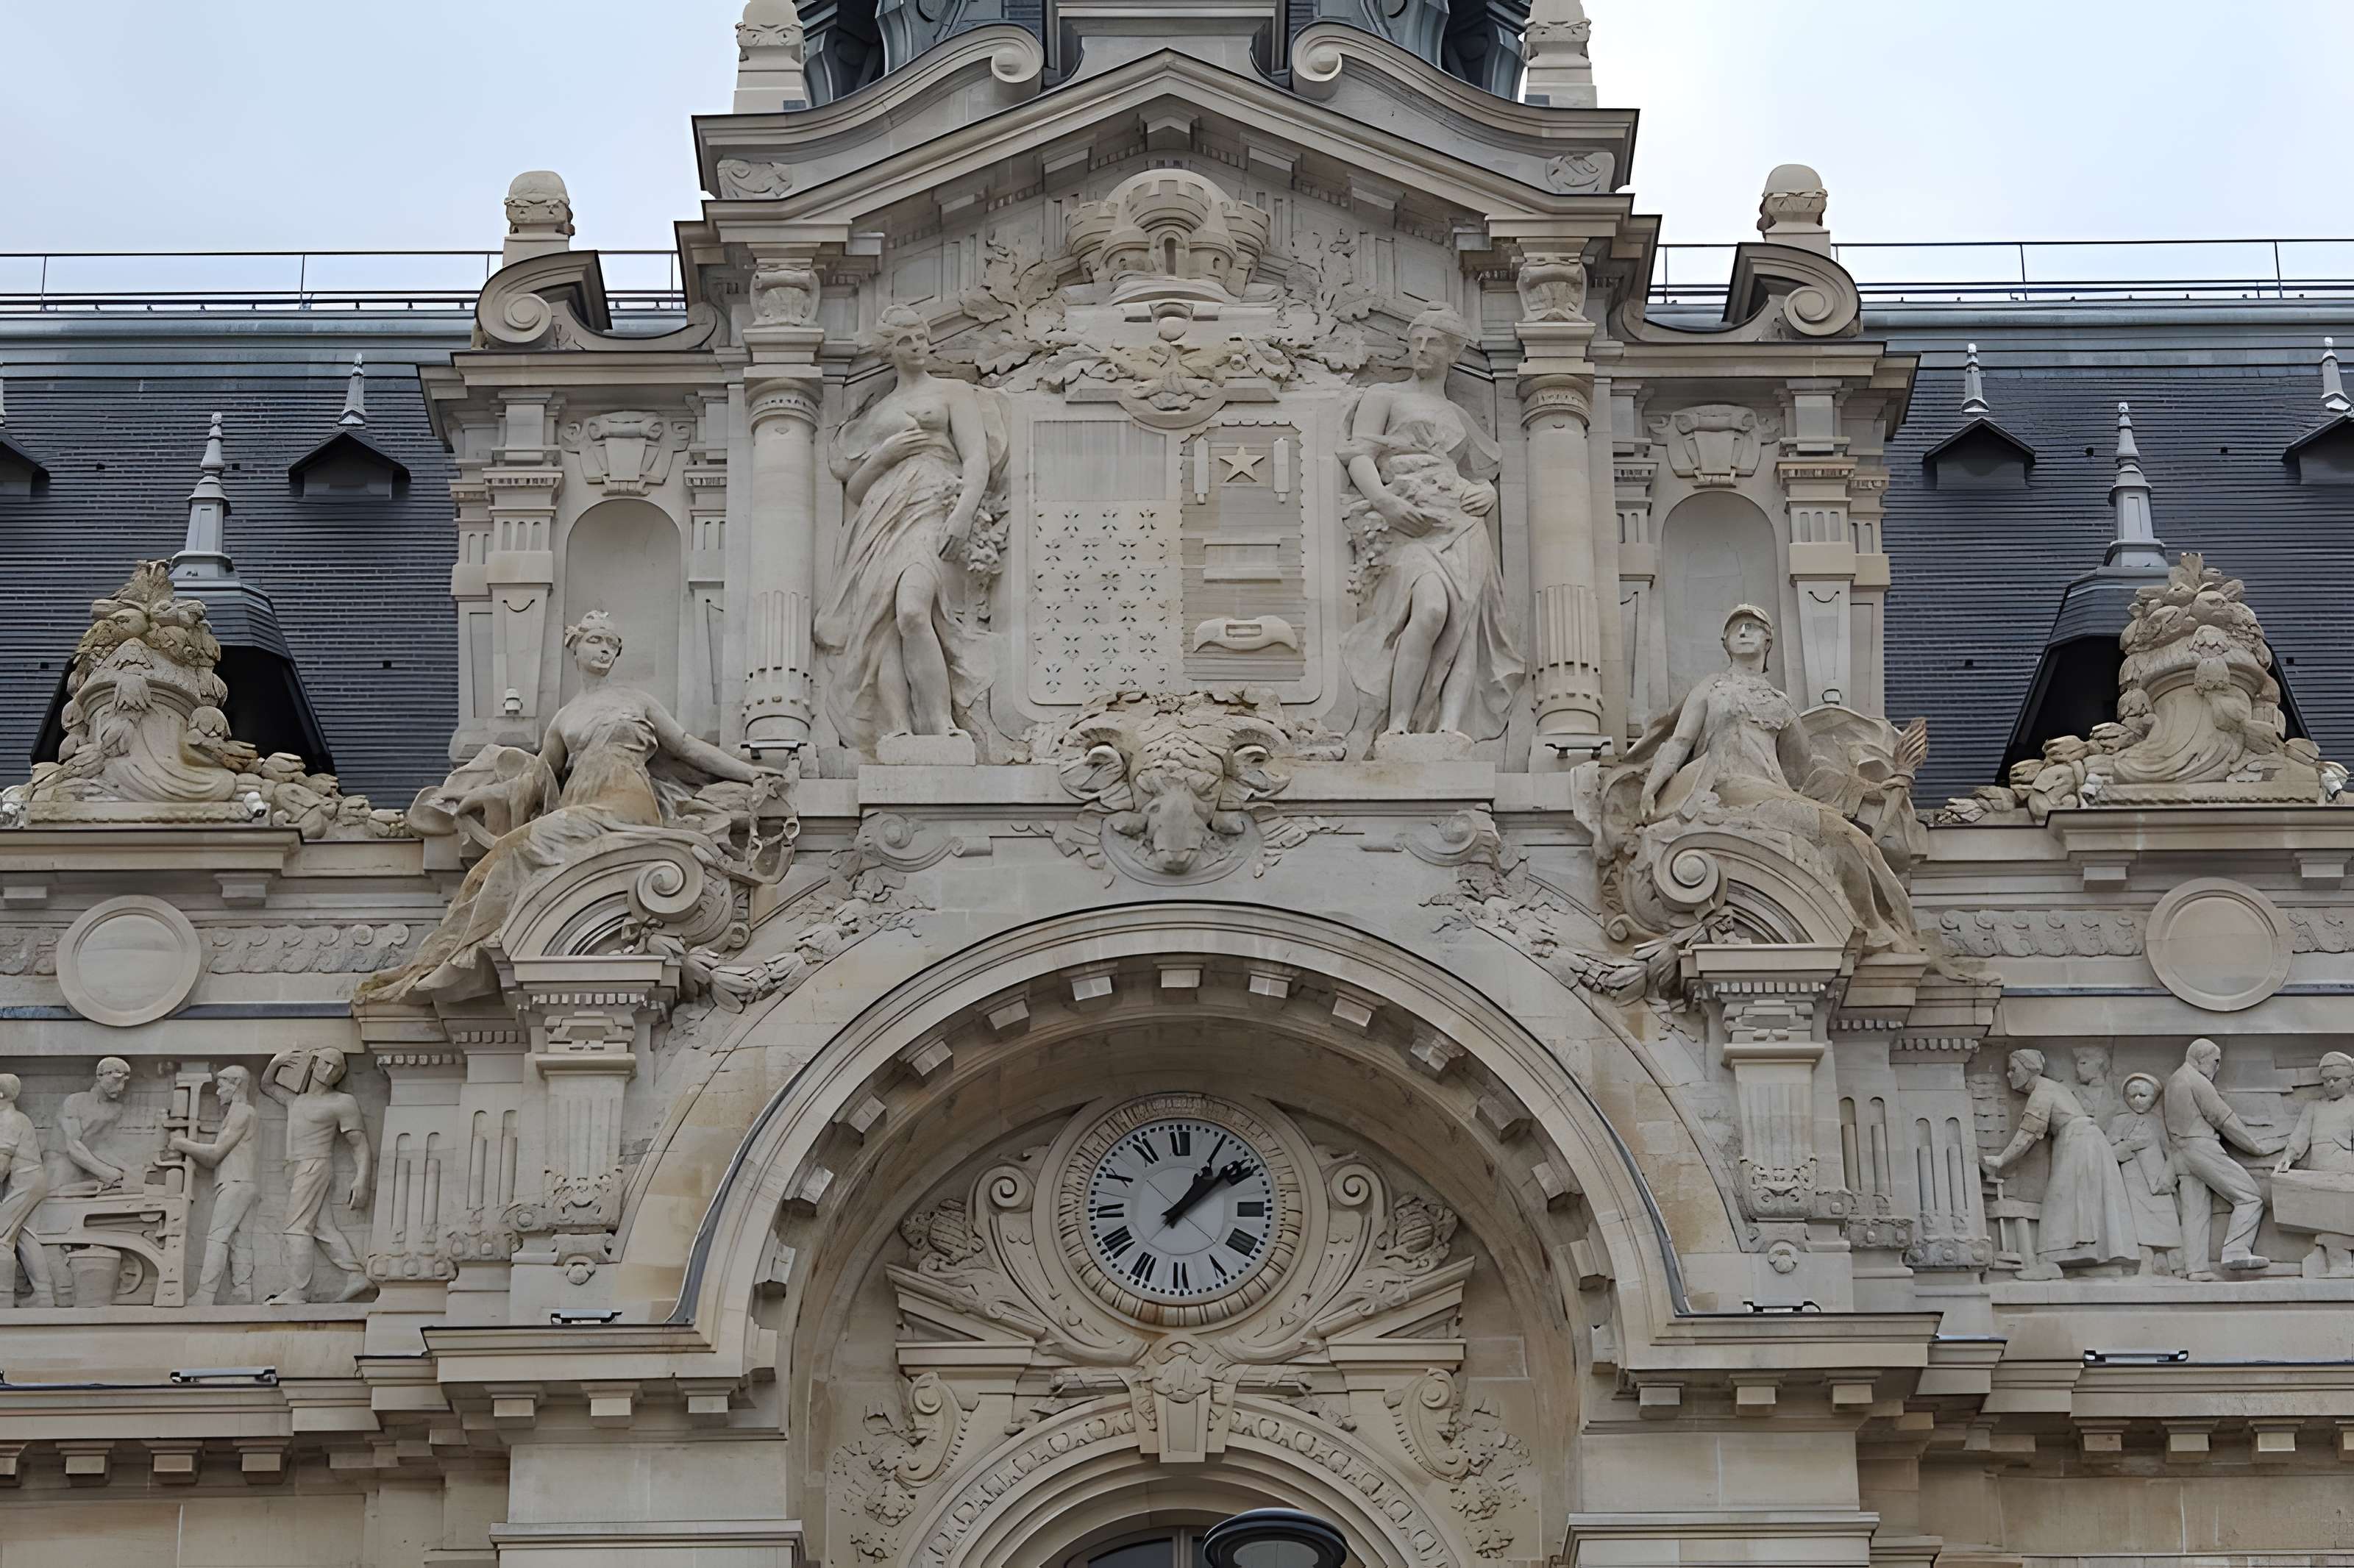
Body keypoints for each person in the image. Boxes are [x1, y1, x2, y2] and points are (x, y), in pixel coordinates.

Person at [357, 611, 789, 1005]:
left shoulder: (636, 701)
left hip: (623, 803)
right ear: (575, 647)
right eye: (597, 640)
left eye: (612, 644)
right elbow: (533, 782)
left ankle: (461, 959)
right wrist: (479, 797)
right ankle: (448, 955)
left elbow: (689, 747)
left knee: (517, 849)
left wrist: (749, 774)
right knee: (494, 863)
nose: (604, 649)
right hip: (580, 803)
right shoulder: (564, 717)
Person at [1632, 605, 1918, 952]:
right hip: (1726, 787)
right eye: (1736, 628)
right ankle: (1873, 930)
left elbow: (1803, 773)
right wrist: (1652, 788)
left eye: (1752, 626)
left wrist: (1870, 791)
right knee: (1839, 833)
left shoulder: (1779, 703)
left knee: (1852, 839)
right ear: (1724, 641)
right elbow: (1680, 741)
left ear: (1769, 638)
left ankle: (1875, 928)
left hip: (1771, 791)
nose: (1743, 632)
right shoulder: (1713, 688)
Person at [1337, 304, 1526, 746]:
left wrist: (1489, 493)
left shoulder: (1458, 417)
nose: (1422, 349)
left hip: (1461, 524)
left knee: (1463, 631)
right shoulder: (1384, 396)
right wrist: (1383, 501)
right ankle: (1398, 726)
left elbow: (1479, 474)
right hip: (1410, 522)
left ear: (1453, 352)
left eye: (1434, 342)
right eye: (1416, 339)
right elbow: (1359, 456)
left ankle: (1449, 729)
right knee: (1430, 611)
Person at [817, 305, 1003, 751]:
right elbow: (857, 490)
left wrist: (962, 513)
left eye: (921, 337)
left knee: (913, 611)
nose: (918, 347)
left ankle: (940, 721)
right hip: (881, 515)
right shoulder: (880, 411)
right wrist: (884, 456)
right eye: (906, 341)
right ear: (889, 351)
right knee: (882, 623)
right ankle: (897, 727)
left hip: (932, 503)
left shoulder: (953, 393)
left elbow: (976, 459)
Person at [1983, 1048, 2138, 1279]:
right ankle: (2091, 1260)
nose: (2009, 1074)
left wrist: (2002, 1159)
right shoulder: (2054, 1088)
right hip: (2086, 1143)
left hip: (2078, 1145)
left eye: (2014, 1069)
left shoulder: (2043, 1091)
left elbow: (2028, 1133)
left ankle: (2050, 1261)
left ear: (2030, 1069)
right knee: (2084, 1203)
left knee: (2062, 1200)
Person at [260, 1048, 372, 1305]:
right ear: (313, 1064)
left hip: (315, 1167)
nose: (329, 1071)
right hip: (296, 1168)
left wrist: (362, 1178)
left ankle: (299, 1291)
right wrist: (277, 1062)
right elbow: (267, 1086)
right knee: (323, 1227)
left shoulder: (342, 1102)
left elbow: (359, 1143)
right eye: (325, 1063)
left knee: (296, 1228)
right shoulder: (296, 1101)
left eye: (337, 1068)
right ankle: (356, 1275)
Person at [2163, 1037, 2283, 1280]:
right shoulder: (2196, 1080)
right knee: (2250, 1197)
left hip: (2181, 1153)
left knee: (2195, 1210)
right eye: (2216, 1061)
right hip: (2201, 1149)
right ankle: (2236, 1251)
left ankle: (2196, 1269)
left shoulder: (2176, 1079)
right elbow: (2224, 1119)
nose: (2218, 1067)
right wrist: (2255, 1147)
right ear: (2200, 1059)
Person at [170, 1065, 259, 1305]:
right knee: (240, 1241)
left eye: (222, 1086)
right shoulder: (239, 1113)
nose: (218, 1093)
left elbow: (215, 1154)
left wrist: (180, 1143)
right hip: (241, 1183)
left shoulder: (242, 1111)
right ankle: (242, 1291)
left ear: (236, 1084)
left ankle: (205, 1295)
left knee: (217, 1238)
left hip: (236, 1182)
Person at [2272, 1049, 2354, 1276]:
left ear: (2351, 1080)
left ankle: (2343, 1265)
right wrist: (2287, 1158)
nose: (2330, 1084)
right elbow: (2299, 1139)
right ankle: (2337, 1263)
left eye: (2336, 1080)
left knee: (2343, 1217)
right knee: (2326, 1217)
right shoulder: (2314, 1108)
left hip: (2345, 1171)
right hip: (2319, 1171)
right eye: (2326, 1080)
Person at [2106, 1072, 2183, 1277]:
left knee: (2167, 1218)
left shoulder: (2157, 1122)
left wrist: (2170, 1174)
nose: (2138, 1100)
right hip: (2132, 1182)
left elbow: (2170, 1150)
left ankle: (2174, 1262)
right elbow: (2108, 1151)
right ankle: (2145, 1261)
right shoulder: (2120, 1121)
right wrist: (2129, 1145)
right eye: (2133, 1096)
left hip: (2159, 1181)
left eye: (2143, 1095)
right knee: (2138, 1223)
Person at [0, 1075, 54, 1308]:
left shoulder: (8, 1120)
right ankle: (44, 1296)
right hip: (33, 1181)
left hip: (25, 1183)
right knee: (26, 1238)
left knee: (1, 1239)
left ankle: (3, 1298)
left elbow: (1, 1164)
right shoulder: (16, 1118)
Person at [46, 1055, 134, 1195]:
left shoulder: (114, 1110)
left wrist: (129, 1170)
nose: (121, 1087)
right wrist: (106, 1171)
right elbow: (72, 1147)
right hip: (61, 1168)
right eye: (116, 1080)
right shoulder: (75, 1101)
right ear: (100, 1076)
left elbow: (98, 1148)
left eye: (124, 1082)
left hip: (86, 1170)